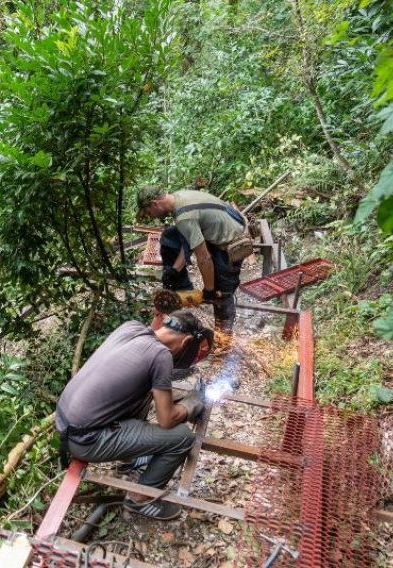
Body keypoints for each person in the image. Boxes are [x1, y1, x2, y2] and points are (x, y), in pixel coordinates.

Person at [55, 310, 207, 521]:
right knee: (183, 437)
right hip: (86, 440)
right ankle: (141, 500)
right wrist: (191, 404)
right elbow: (166, 420)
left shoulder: (131, 327)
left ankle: (128, 459)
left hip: (65, 426)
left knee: (145, 390)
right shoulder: (161, 355)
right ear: (187, 340)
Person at [137, 185, 247, 333]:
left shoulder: (184, 216)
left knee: (222, 290)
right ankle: (181, 288)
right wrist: (175, 269)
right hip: (215, 226)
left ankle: (224, 334)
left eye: (148, 212)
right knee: (170, 236)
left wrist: (209, 290)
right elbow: (189, 235)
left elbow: (204, 258)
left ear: (155, 203)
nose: (151, 217)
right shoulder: (178, 197)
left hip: (231, 239)